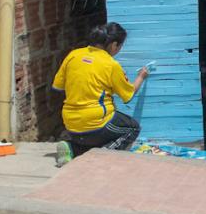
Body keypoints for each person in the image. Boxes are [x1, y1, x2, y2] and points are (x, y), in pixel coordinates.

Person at [52, 22, 149, 166]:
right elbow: (128, 95)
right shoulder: (111, 64)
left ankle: (71, 147)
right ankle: (102, 154)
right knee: (132, 128)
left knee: (91, 137)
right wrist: (141, 77)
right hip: (96, 121)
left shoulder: (74, 55)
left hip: (70, 122)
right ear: (114, 45)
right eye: (120, 47)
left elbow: (58, 86)